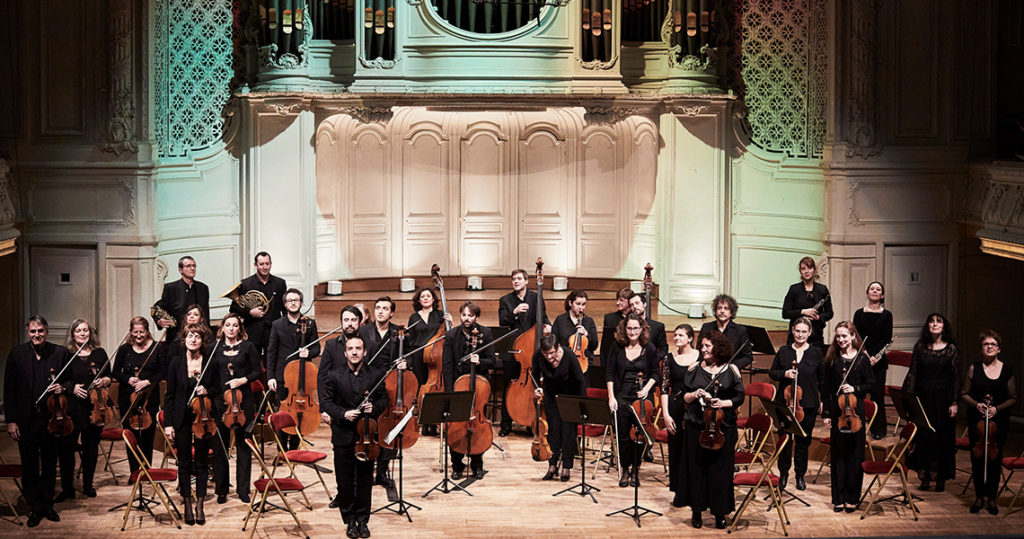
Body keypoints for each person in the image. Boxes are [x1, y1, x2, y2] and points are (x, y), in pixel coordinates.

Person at [4, 316, 69, 527]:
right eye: (33, 331)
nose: (37, 335)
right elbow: (9, 389)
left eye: (40, 330)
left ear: (47, 331)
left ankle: (47, 503)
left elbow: (70, 379)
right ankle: (35, 507)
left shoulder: (59, 353)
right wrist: (11, 421)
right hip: (26, 419)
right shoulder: (17, 354)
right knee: (30, 465)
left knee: (50, 464)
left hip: (51, 419)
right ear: (27, 332)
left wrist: (63, 387)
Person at [321, 335, 388, 538]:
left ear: (365, 352)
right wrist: (343, 414)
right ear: (345, 353)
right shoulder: (333, 375)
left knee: (365, 479)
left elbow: (384, 399)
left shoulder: (375, 375)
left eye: (358, 348)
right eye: (351, 348)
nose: (355, 352)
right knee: (345, 481)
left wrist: (373, 407)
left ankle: (363, 520)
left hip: (367, 436)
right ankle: (349, 520)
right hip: (343, 434)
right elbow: (327, 402)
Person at [679, 330, 744, 529]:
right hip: (697, 427)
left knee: (720, 471)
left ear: (719, 347)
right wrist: (694, 395)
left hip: (723, 428)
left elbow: (739, 397)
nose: (703, 349)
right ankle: (697, 511)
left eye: (708, 346)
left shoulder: (731, 369)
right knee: (696, 469)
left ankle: (719, 512)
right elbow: (684, 397)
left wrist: (724, 402)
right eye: (703, 346)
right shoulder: (694, 368)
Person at [318, 305, 371, 509]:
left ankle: (360, 499)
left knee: (363, 456)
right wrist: (325, 409)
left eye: (353, 320)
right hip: (339, 411)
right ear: (341, 322)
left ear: (360, 322)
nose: (349, 323)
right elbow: (322, 379)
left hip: (363, 412)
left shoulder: (368, 344)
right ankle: (343, 494)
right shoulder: (331, 346)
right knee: (342, 456)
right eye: (346, 320)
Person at [162, 323, 216, 526]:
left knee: (201, 463)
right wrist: (169, 424)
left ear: (203, 341)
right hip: (181, 419)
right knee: (184, 463)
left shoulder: (209, 362)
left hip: (203, 418)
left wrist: (207, 390)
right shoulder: (176, 363)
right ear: (184, 339)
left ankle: (200, 504)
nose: (193, 339)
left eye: (198, 337)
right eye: (190, 336)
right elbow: (169, 396)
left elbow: (218, 388)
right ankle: (186, 503)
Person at [821, 321, 874, 513]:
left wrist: (855, 389)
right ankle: (839, 498)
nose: (841, 339)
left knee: (855, 455)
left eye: (844, 336)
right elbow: (826, 388)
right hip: (837, 412)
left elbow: (871, 385)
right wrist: (826, 413)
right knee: (838, 456)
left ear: (853, 336)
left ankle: (852, 497)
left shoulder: (862, 359)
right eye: (838, 336)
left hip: (856, 412)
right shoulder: (832, 358)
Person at [961, 330, 1016, 515]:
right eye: (986, 344)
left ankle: (991, 498)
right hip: (977, 419)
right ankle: (979, 496)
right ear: (981, 348)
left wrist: (996, 409)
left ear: (999, 348)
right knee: (977, 458)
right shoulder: (973, 368)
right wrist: (977, 405)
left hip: (998, 420)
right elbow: (964, 394)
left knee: (994, 458)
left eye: (993, 344)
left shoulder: (1007, 370)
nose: (990, 346)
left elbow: (1013, 397)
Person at [903, 313, 959, 492]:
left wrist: (954, 402)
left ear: (944, 326)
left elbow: (955, 378)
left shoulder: (951, 349)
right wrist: (909, 400)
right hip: (924, 396)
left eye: (939, 321)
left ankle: (941, 476)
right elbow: (913, 373)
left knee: (942, 438)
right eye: (931, 322)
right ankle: (925, 475)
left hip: (943, 398)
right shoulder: (920, 346)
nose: (934, 324)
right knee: (924, 437)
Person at [768, 317, 824, 492]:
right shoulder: (784, 351)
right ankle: (783, 474)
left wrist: (821, 400)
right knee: (785, 440)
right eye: (797, 331)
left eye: (804, 332)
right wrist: (784, 373)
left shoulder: (816, 353)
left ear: (809, 333)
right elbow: (772, 373)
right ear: (793, 331)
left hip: (807, 404)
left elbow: (822, 379)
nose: (800, 334)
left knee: (803, 441)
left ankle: (800, 475)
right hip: (785, 404)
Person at [210, 314, 261, 504]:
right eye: (228, 325)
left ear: (240, 329)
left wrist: (243, 380)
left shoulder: (248, 347)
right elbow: (210, 375)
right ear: (222, 328)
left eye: (235, 326)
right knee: (220, 447)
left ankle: (243, 490)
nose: (231, 328)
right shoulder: (213, 348)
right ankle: (221, 489)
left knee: (243, 445)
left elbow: (257, 371)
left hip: (243, 403)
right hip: (220, 403)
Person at [604, 313, 660, 487]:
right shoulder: (617, 346)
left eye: (636, 328)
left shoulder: (649, 348)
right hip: (622, 395)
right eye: (629, 328)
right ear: (624, 329)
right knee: (622, 435)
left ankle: (636, 468)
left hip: (641, 397)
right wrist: (611, 397)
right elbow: (610, 372)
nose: (632, 331)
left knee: (638, 436)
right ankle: (625, 468)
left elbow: (655, 374)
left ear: (642, 329)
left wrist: (646, 389)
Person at [57, 319, 110, 500]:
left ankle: (88, 485)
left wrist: (103, 381)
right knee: (67, 448)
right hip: (72, 408)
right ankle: (67, 488)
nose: (82, 333)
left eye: (85, 330)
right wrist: (72, 388)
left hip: (95, 407)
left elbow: (109, 376)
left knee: (91, 447)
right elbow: (60, 379)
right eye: (78, 330)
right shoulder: (65, 354)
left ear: (90, 333)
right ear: (72, 334)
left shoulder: (99, 353)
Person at [443, 301, 495, 479]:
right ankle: (456, 464)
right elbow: (447, 365)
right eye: (464, 315)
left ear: (476, 317)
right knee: (456, 426)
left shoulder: (485, 333)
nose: (466, 319)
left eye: (470, 316)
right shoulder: (451, 335)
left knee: (477, 427)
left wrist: (480, 360)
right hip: (458, 387)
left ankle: (477, 464)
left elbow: (493, 361)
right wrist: (450, 393)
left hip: (479, 389)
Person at [266, 288, 321, 450]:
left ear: (301, 303)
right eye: (290, 300)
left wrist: (308, 352)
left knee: (300, 413)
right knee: (283, 412)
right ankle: (282, 449)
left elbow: (317, 348)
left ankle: (294, 448)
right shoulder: (277, 324)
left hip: (303, 377)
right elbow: (271, 352)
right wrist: (270, 377)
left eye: (296, 300)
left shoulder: (310, 324)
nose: (293, 303)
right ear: (285, 304)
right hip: (283, 376)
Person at [497, 268, 549, 436]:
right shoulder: (505, 300)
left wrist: (548, 325)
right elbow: (503, 322)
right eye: (514, 279)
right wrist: (515, 312)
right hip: (513, 353)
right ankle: (506, 426)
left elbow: (544, 317)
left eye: (519, 278)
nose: (516, 281)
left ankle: (531, 422)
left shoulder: (536, 298)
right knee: (509, 388)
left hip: (533, 351)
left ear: (527, 281)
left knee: (534, 388)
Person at [358, 297, 402, 488]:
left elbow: (405, 355)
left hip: (390, 386)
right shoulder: (363, 331)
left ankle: (382, 471)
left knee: (389, 428)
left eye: (385, 308)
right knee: (368, 426)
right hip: (368, 384)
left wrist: (403, 364)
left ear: (391, 312)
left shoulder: (398, 333)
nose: (381, 311)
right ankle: (366, 466)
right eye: (377, 308)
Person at [114, 316, 166, 475]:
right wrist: (128, 379)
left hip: (149, 397)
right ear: (131, 332)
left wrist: (147, 382)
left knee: (148, 435)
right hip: (127, 397)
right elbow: (115, 372)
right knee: (132, 435)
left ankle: (146, 470)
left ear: (147, 331)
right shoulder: (124, 349)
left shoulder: (156, 348)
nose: (138, 335)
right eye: (135, 332)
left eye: (141, 332)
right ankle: (134, 472)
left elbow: (163, 372)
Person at [532, 333, 587, 481]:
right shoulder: (538, 355)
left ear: (557, 348)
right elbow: (535, 374)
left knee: (568, 431)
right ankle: (552, 465)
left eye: (551, 353)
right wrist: (536, 388)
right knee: (553, 430)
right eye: (546, 354)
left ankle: (566, 467)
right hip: (551, 396)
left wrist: (582, 406)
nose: (549, 358)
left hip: (570, 396)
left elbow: (580, 381)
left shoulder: (568, 355)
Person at [660, 323, 700, 508]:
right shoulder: (669, 358)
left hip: (694, 408)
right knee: (675, 451)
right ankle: (678, 492)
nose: (676, 338)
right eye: (675, 335)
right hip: (675, 407)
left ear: (690, 338)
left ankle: (695, 491)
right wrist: (666, 415)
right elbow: (664, 388)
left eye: (681, 335)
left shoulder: (700, 357)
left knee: (693, 450)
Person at [406, 287, 451, 436]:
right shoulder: (413, 317)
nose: (425, 298)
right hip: (419, 355)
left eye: (428, 296)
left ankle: (435, 421)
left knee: (435, 390)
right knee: (422, 388)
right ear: (419, 300)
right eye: (422, 296)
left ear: (433, 299)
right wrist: (410, 360)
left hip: (436, 355)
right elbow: (410, 340)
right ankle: (424, 422)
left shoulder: (440, 315)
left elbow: (448, 335)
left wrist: (450, 322)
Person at [852, 281, 893, 440]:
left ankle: (878, 429)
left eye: (878, 289)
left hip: (879, 362)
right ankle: (857, 425)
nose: (875, 291)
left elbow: (887, 340)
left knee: (877, 395)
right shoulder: (859, 313)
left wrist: (876, 357)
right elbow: (855, 336)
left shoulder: (887, 315)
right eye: (872, 289)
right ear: (868, 293)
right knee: (859, 394)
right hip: (861, 359)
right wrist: (866, 355)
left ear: (882, 295)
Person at [230, 251, 287, 357]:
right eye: (261, 264)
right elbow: (233, 308)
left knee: (271, 362)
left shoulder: (280, 283)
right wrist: (250, 312)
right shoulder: (246, 283)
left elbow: (284, 308)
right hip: (252, 330)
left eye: (267, 264)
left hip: (272, 330)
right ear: (255, 265)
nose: (265, 267)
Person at [782, 256, 833, 352]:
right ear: (800, 271)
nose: (806, 271)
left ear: (814, 270)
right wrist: (803, 312)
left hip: (815, 336)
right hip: (796, 337)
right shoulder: (794, 289)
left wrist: (818, 317)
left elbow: (829, 313)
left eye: (809, 268)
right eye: (803, 269)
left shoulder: (822, 289)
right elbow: (785, 313)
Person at [156, 255, 210, 344]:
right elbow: (161, 309)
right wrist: (159, 321)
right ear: (180, 270)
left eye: (194, 266)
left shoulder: (203, 288)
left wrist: (207, 335)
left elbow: (206, 314)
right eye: (188, 266)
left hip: (198, 337)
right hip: (176, 337)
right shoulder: (170, 288)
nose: (192, 268)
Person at [698, 294, 752, 370]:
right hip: (708, 370)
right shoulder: (706, 327)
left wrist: (729, 367)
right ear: (715, 311)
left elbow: (747, 357)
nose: (722, 311)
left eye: (726, 308)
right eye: (719, 308)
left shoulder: (740, 330)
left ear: (731, 312)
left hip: (730, 372)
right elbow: (699, 350)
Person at [550, 289, 598, 373]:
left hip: (584, 365)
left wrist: (586, 334)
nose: (581, 308)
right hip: (564, 364)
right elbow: (553, 342)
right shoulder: (560, 320)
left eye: (583, 304)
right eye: (578, 304)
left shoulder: (589, 321)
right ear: (570, 303)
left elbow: (594, 346)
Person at [600, 287, 635, 366]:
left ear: (630, 301)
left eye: (621, 300)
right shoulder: (609, 318)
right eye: (617, 300)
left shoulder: (636, 319)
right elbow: (605, 346)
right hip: (614, 360)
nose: (617, 303)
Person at [628, 293, 668, 359]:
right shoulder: (626, 326)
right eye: (632, 305)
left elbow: (663, 350)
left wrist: (652, 361)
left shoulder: (658, 326)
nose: (634, 306)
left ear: (645, 304)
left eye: (637, 303)